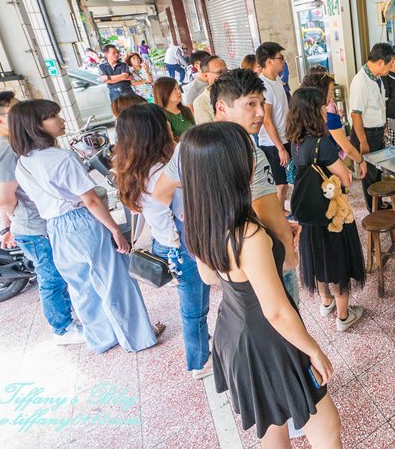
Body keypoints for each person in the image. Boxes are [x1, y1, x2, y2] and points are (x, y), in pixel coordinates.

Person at [179, 123, 341, 447]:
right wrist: (314, 349)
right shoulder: (248, 234)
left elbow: (213, 277)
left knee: (272, 425)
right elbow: (277, 312)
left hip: (233, 333)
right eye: (246, 152)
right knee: (327, 427)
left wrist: (270, 253)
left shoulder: (200, 220)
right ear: (232, 168)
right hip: (269, 339)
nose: (252, 159)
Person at [9, 100, 161, 354]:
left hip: (56, 228)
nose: (61, 120)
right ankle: (138, 337)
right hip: (81, 221)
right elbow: (90, 200)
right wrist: (114, 230)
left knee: (82, 288)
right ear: (36, 126)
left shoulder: (23, 161)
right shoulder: (61, 157)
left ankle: (103, 339)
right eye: (53, 117)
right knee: (115, 282)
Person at [153, 69, 301, 313]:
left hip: (224, 268)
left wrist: (205, 223)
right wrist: (288, 258)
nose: (260, 113)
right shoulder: (249, 153)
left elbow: (161, 194)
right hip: (264, 264)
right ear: (221, 107)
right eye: (250, 104)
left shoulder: (190, 146)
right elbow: (271, 219)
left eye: (262, 104)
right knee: (285, 335)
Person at [0, 92, 84, 345]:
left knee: (60, 274)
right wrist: (10, 225)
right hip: (34, 227)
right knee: (51, 278)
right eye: (17, 110)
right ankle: (62, 329)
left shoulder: (18, 140)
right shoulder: (4, 149)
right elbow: (4, 197)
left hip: (43, 221)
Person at [113, 104, 212, 378]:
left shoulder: (132, 168)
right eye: (164, 122)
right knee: (194, 308)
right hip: (181, 247)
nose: (169, 126)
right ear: (155, 131)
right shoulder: (161, 172)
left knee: (194, 304)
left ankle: (202, 344)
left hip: (164, 243)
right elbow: (184, 211)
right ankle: (199, 361)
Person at [288, 87, 366, 331]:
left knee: (318, 261)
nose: (326, 110)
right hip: (332, 215)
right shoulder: (324, 144)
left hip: (309, 215)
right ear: (314, 111)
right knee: (338, 261)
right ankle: (343, 316)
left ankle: (326, 302)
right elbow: (345, 179)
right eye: (323, 107)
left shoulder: (295, 142)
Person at [349, 42, 395, 211]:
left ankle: (378, 202)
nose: (390, 68)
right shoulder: (361, 82)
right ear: (381, 62)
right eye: (390, 64)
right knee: (368, 173)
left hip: (376, 131)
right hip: (365, 134)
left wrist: (383, 127)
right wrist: (363, 141)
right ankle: (372, 208)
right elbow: (356, 114)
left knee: (376, 171)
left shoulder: (376, 78)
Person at [300, 72, 367, 180]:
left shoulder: (302, 113)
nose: (332, 96)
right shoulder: (330, 116)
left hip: (310, 172)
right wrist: (361, 161)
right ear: (321, 92)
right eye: (331, 91)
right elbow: (347, 148)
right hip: (328, 168)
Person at [257, 42, 292, 210]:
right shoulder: (263, 86)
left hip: (284, 138)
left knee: (285, 182)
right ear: (269, 61)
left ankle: (282, 210)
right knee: (280, 184)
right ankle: (278, 217)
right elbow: (267, 120)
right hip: (272, 143)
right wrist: (280, 148)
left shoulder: (277, 79)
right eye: (280, 58)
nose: (283, 61)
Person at [192, 56, 228, 124]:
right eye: (219, 72)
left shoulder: (238, 90)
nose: (225, 75)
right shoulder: (200, 103)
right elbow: (206, 132)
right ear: (205, 76)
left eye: (226, 71)